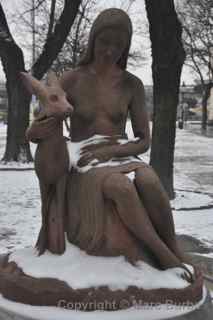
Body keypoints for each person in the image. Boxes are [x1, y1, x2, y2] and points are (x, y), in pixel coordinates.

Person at [26, 8, 191, 275]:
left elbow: (143, 140)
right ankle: (163, 256)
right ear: (93, 41)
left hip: (121, 152)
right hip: (84, 155)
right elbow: (46, 116)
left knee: (149, 181)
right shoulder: (72, 79)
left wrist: (112, 152)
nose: (110, 50)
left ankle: (173, 246)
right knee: (120, 187)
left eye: (119, 44)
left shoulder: (132, 84)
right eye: (104, 42)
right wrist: (41, 122)